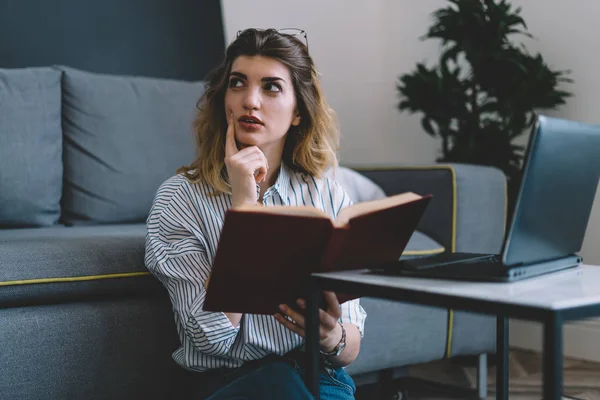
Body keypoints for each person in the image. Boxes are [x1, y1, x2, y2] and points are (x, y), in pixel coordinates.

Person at [145, 28, 367, 400]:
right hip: (232, 383)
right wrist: (244, 209)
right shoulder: (179, 199)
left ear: (298, 112)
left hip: (322, 378)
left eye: (271, 87)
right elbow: (208, 337)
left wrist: (332, 337)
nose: (250, 100)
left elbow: (351, 346)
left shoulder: (327, 194)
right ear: (224, 101)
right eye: (238, 83)